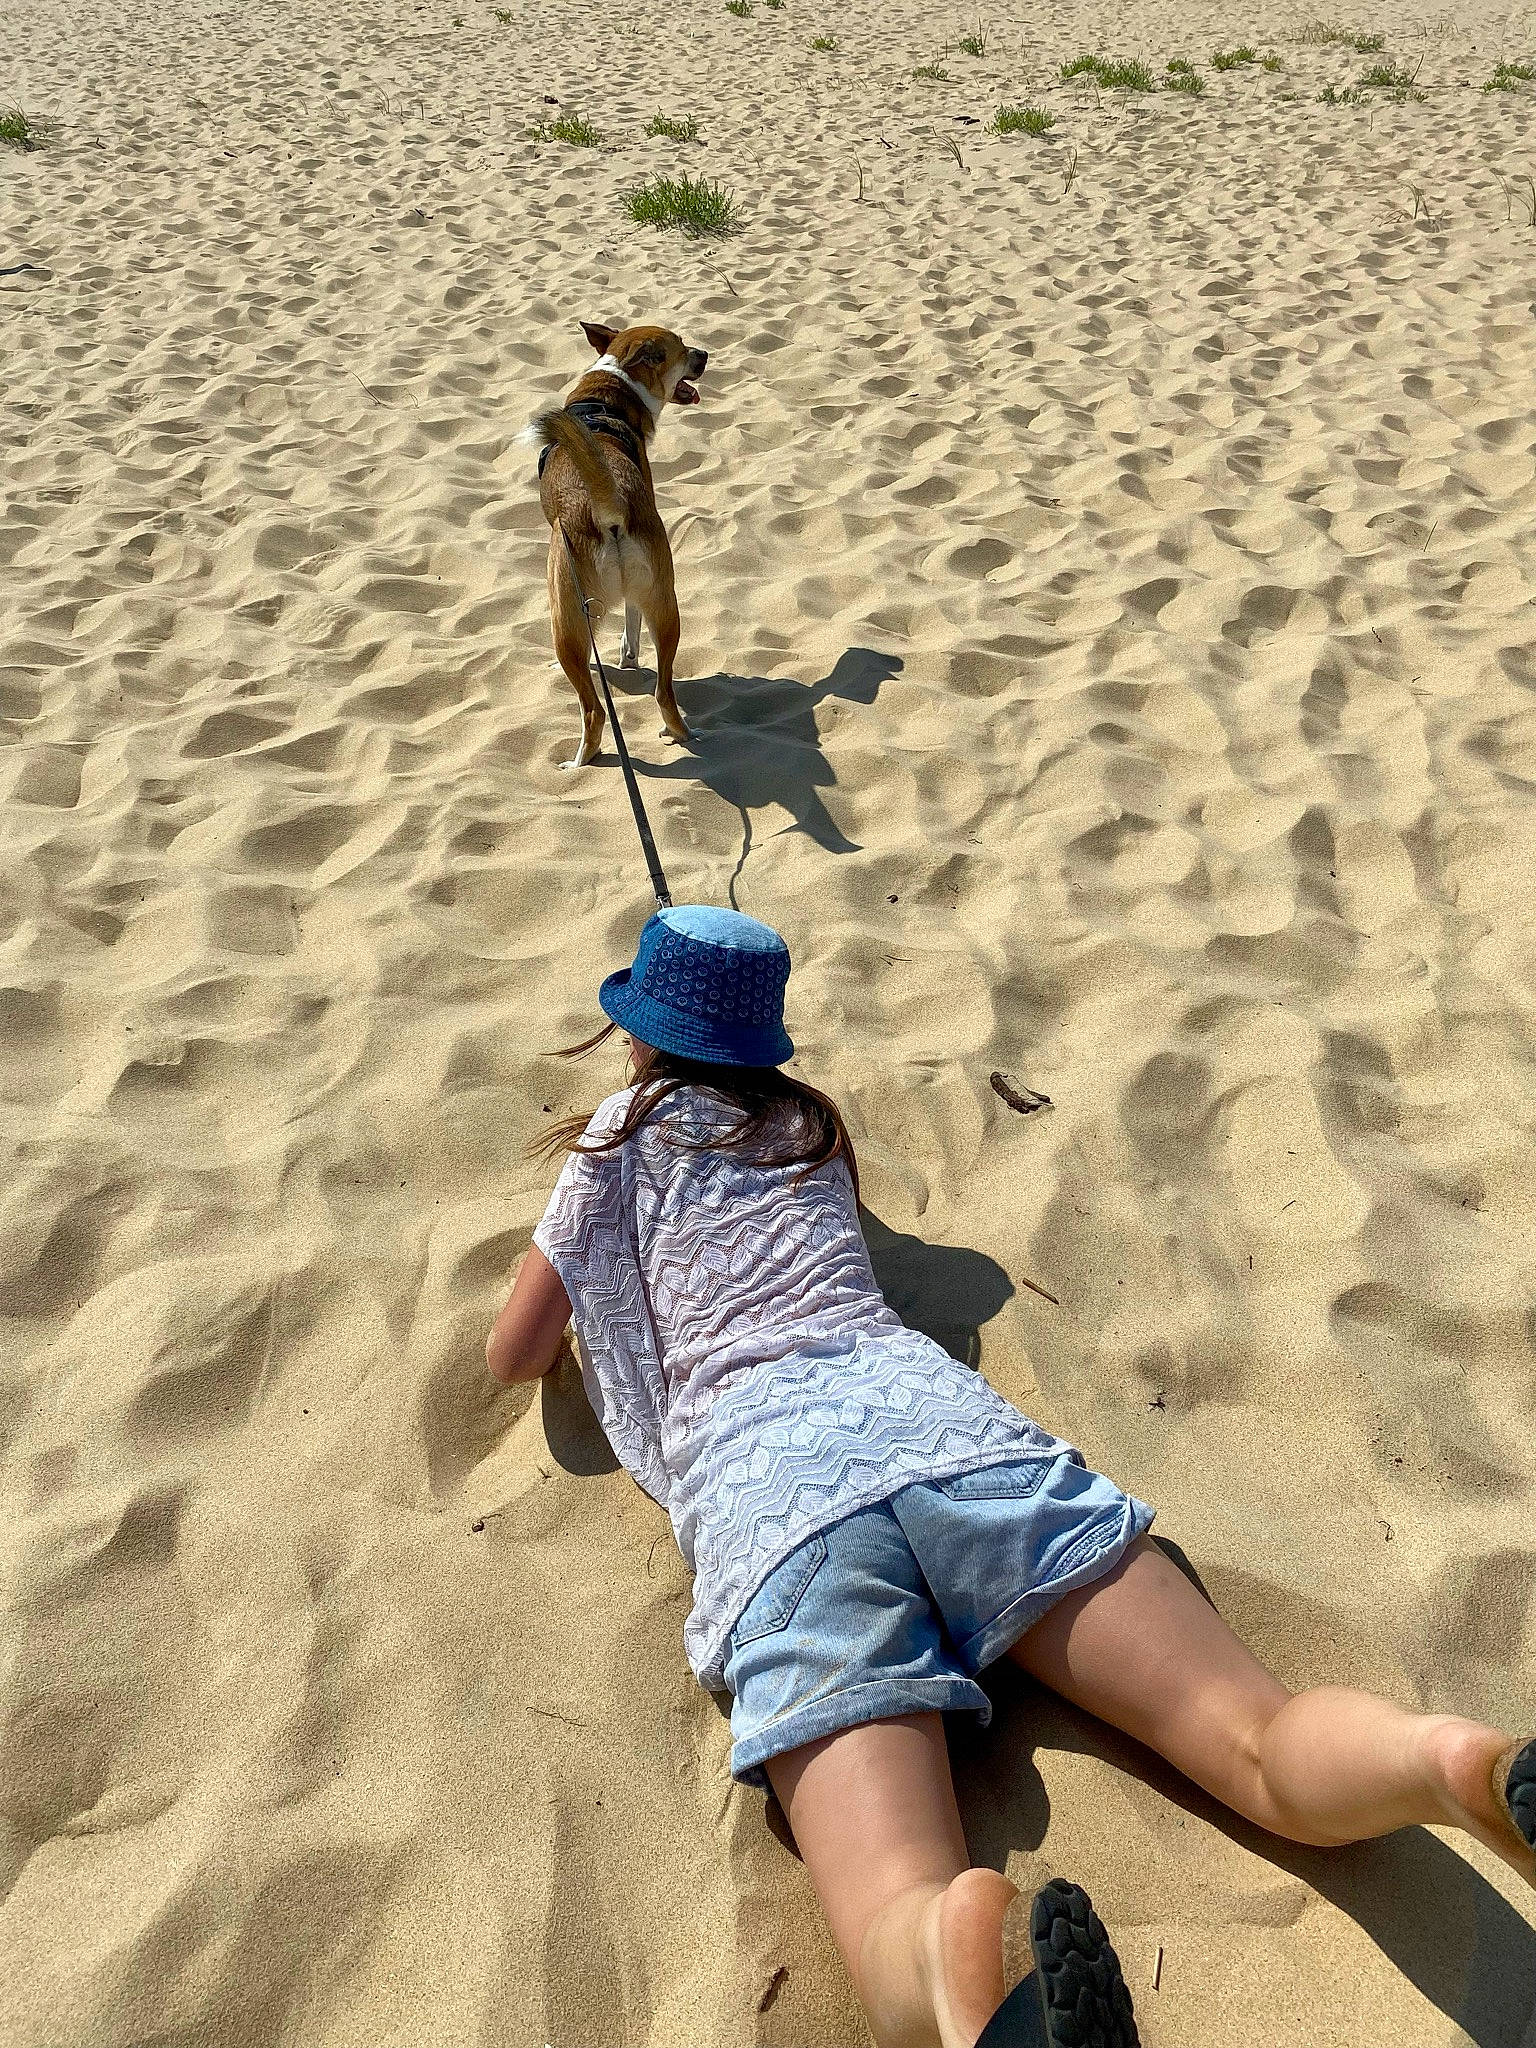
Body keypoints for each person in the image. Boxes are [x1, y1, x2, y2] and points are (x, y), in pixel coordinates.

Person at [485, 904, 1536, 2048]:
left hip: (776, 1498)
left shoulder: (616, 1135)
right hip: (951, 1440)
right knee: (1259, 1740)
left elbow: (516, 1350)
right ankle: (1452, 1759)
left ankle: (958, 1948)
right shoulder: (809, 1126)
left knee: (897, 1904)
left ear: (639, 1029)